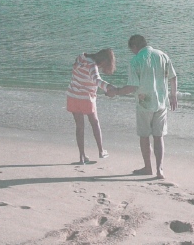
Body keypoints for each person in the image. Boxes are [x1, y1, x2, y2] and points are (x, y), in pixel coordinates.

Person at [107, 35, 177, 179]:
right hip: (161, 102)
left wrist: (117, 92)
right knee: (159, 137)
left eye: (131, 50)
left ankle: (147, 167)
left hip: (144, 104)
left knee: (144, 136)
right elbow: (173, 77)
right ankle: (159, 170)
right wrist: (173, 96)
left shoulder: (136, 60)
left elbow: (133, 87)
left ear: (134, 47)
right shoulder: (162, 55)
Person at [66, 48, 116, 164]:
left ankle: (82, 156)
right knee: (95, 123)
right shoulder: (92, 65)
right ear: (103, 61)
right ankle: (101, 150)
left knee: (79, 127)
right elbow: (96, 80)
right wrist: (109, 87)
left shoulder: (81, 58)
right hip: (86, 99)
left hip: (72, 96)